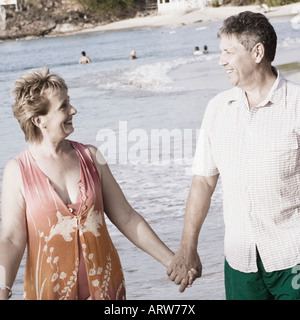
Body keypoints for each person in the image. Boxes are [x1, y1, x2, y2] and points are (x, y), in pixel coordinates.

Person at [0, 67, 196, 300]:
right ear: (38, 120)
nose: (73, 110)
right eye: (63, 106)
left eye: (69, 102)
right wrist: (3, 289)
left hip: (106, 288)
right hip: (48, 293)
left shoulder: (92, 156)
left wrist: (172, 260)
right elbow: (12, 239)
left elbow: (127, 217)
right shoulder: (17, 171)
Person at [167, 11, 300, 300]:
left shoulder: (297, 106)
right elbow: (203, 181)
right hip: (240, 261)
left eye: (228, 52)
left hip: (293, 256)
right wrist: (188, 247)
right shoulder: (217, 109)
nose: (221, 61)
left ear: (257, 52)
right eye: (220, 52)